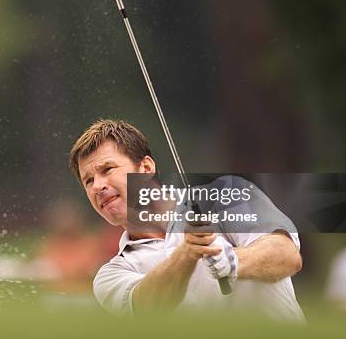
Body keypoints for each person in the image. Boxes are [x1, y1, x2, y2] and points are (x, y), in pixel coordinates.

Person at [69, 119, 304, 320]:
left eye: (107, 169)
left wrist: (232, 261)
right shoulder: (112, 273)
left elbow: (286, 256)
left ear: (146, 168)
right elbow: (147, 308)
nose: (97, 186)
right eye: (88, 181)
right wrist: (187, 254)